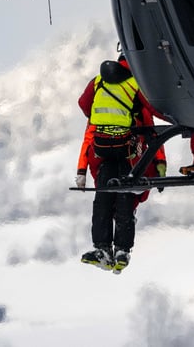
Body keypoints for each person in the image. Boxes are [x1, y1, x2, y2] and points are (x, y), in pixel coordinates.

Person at [75, 55, 166, 273]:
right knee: (125, 198)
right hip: (129, 154)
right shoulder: (136, 83)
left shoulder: (98, 82)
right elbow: (152, 120)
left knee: (103, 200)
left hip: (103, 151)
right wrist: (160, 162)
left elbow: (84, 106)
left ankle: (102, 248)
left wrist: (81, 170)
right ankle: (122, 249)